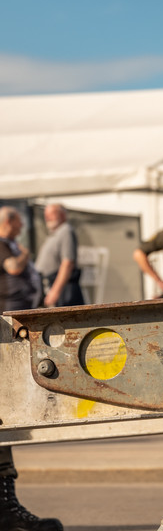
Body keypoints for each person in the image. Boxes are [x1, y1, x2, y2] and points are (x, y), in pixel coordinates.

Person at [0, 206, 64, 531]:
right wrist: (24, 252)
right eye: (18, 221)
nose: (22, 225)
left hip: (13, 325)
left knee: (5, 419)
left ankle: (5, 508)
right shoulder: (5, 246)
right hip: (6, 325)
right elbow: (12, 268)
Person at [35, 204, 85, 307]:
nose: (47, 217)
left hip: (63, 291)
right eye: (46, 215)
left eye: (52, 214)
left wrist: (55, 291)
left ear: (62, 215)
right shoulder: (55, 233)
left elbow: (68, 263)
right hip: (51, 286)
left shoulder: (66, 230)